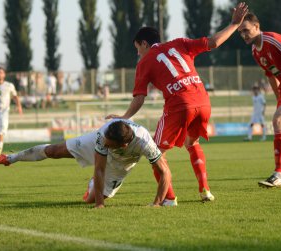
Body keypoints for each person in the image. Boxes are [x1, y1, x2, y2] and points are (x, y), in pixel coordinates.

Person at [106, 2, 249, 201]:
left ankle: (169, 199)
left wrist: (124, 117)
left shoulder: (144, 62)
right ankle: (205, 190)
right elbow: (214, 42)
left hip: (180, 105)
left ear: (145, 44)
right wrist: (234, 24)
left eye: (137, 48)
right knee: (193, 142)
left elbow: (139, 99)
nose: (138, 53)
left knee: (155, 153)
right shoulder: (180, 43)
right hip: (203, 102)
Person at [0, 119, 173, 208]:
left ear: (123, 144)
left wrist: (156, 203)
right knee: (54, 151)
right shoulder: (103, 136)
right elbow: (99, 168)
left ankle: (92, 188)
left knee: (89, 198)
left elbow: (165, 172)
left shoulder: (145, 143)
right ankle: (9, 158)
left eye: (109, 144)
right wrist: (100, 205)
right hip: (97, 142)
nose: (105, 145)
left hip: (123, 163)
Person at [238, 12, 281, 187]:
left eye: (246, 30)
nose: (243, 35)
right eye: (240, 32)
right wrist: (279, 98)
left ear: (256, 26)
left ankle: (279, 174)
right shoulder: (255, 51)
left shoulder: (273, 40)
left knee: (279, 121)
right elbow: (271, 75)